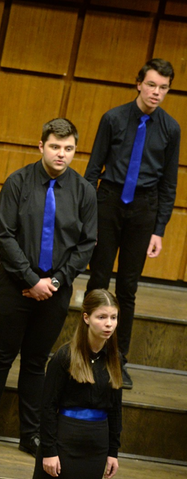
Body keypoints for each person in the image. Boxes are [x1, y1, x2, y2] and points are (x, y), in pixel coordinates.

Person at [0, 118, 98, 456]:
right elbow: (4, 235)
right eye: (54, 147)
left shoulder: (84, 191)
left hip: (55, 289)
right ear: (41, 146)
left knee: (36, 363)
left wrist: (52, 282)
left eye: (68, 148)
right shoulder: (17, 182)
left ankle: (30, 435)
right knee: (0, 357)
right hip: (15, 285)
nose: (61, 154)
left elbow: (87, 243)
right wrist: (30, 279)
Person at [84, 59, 180, 390]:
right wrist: (88, 217)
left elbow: (169, 184)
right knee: (98, 279)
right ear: (139, 83)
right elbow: (92, 169)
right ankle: (85, 352)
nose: (156, 93)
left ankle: (117, 359)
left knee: (127, 287)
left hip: (144, 208)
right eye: (151, 85)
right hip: (109, 201)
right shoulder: (113, 118)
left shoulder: (171, 129)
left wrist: (159, 229)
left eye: (163, 88)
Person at [27, 289, 122, 479]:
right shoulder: (65, 356)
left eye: (113, 317)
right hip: (64, 442)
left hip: (95, 446)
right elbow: (47, 407)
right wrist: (49, 451)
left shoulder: (115, 358)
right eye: (102, 317)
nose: (109, 324)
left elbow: (115, 409)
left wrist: (113, 451)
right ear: (86, 317)